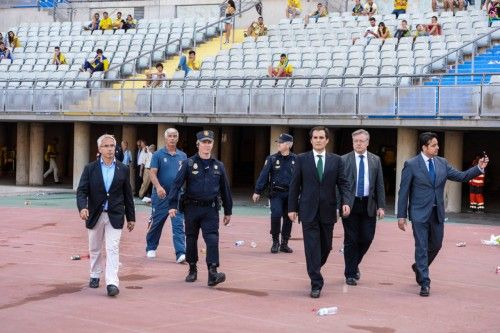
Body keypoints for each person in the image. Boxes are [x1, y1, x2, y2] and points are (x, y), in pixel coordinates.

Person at [397, 132, 488, 297]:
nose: (437, 147)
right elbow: (403, 192)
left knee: (436, 245)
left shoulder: (442, 163)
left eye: (437, 144)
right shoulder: (411, 164)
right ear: (424, 147)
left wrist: (479, 168)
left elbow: (461, 176)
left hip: (437, 212)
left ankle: (418, 267)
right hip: (419, 213)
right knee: (422, 247)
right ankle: (425, 282)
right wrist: (401, 216)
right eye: (433, 145)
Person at [288, 126, 352, 298]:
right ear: (311, 140)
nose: (318, 140)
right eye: (315, 137)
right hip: (307, 210)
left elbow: (344, 183)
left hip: (328, 210)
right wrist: (292, 208)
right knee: (311, 247)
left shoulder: (337, 160)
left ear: (327, 140)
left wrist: (346, 202)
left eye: (321, 137)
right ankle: (316, 282)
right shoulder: (301, 159)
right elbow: (295, 185)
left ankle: (315, 266)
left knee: (326, 246)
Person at [167, 130, 233, 287]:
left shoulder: (218, 166)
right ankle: (192, 268)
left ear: (213, 144)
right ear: (198, 144)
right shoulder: (188, 164)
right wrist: (172, 205)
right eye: (204, 142)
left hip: (210, 209)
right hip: (192, 208)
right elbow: (176, 185)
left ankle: (213, 271)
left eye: (209, 142)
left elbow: (225, 190)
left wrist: (228, 210)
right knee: (191, 238)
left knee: (212, 239)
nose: (207, 145)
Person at [76, 134, 136, 297]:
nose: (110, 149)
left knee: (112, 248)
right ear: (99, 149)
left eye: (112, 146)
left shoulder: (123, 169)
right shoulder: (90, 168)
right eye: (106, 146)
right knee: (95, 248)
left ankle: (112, 282)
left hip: (115, 215)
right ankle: (95, 274)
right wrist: (82, 208)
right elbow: (82, 191)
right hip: (95, 214)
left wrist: (131, 217)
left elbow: (127, 194)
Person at [341, 129, 385, 286]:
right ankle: (350, 273)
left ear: (367, 142)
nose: (358, 144)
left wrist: (381, 206)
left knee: (367, 237)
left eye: (361, 141)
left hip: (369, 204)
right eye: (355, 141)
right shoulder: (344, 159)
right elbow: (339, 185)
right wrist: (342, 203)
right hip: (350, 204)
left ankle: (354, 264)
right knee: (351, 240)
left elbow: (379, 184)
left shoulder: (375, 160)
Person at [146, 129, 187, 263]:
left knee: (178, 224)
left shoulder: (183, 156)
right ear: (165, 138)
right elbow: (152, 173)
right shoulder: (158, 155)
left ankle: (180, 253)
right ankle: (151, 247)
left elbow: (186, 176)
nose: (172, 138)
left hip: (177, 196)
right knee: (157, 223)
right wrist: (158, 187)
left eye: (175, 136)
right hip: (161, 196)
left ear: (177, 138)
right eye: (170, 136)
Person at [253, 133, 296, 254]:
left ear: (289, 145)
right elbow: (264, 175)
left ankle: (284, 243)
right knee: (276, 215)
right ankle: (275, 241)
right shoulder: (272, 159)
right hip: (276, 193)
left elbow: (301, 178)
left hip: (290, 194)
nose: (279, 144)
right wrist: (257, 191)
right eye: (278, 142)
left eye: (281, 142)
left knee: (289, 218)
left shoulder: (296, 159)